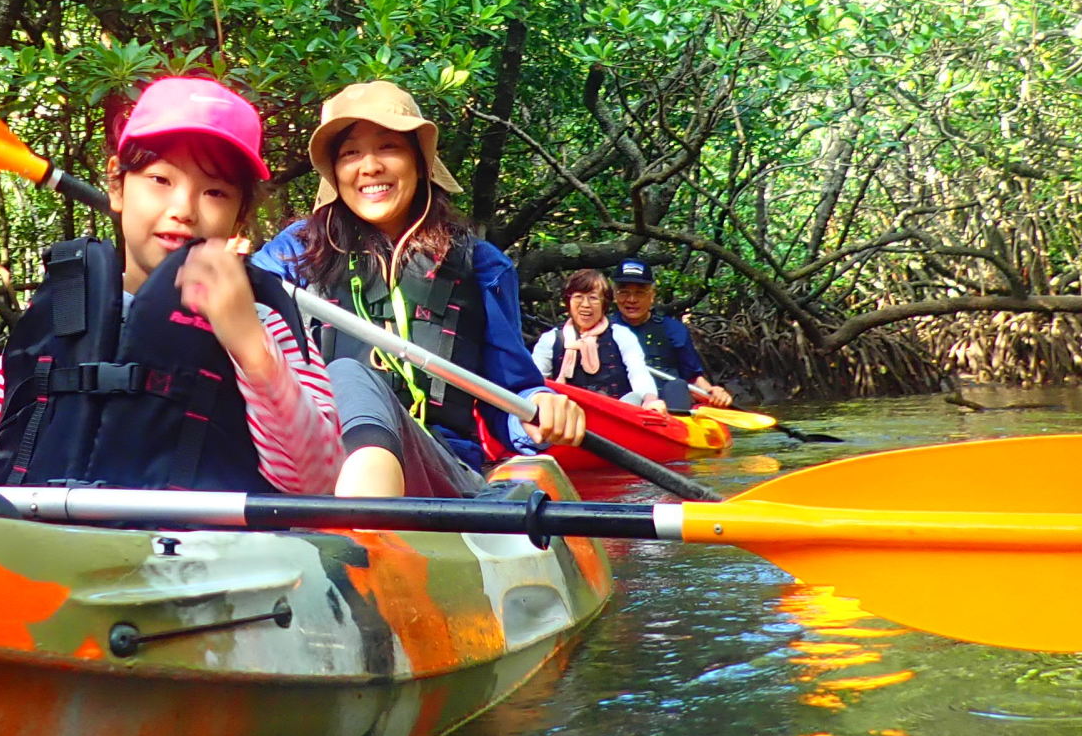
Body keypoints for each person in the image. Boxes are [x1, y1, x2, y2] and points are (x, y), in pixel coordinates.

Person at [0, 77, 341, 501]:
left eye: (215, 193)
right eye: (160, 180)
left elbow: (319, 481)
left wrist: (250, 345)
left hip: (194, 561)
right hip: (48, 538)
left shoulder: (264, 322)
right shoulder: (66, 305)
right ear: (117, 184)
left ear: (239, 216)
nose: (183, 210)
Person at [249, 82, 587, 499]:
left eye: (388, 147)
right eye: (350, 153)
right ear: (335, 173)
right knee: (347, 376)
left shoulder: (482, 265)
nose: (369, 166)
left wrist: (539, 409)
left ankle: (363, 538)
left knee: (350, 372)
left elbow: (511, 399)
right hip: (318, 463)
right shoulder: (292, 254)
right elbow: (241, 322)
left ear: (419, 161)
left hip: (440, 467)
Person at [533, 268, 667, 413]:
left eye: (593, 298)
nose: (585, 304)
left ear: (604, 304)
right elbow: (535, 380)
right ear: (568, 301)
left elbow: (638, 371)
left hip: (615, 416)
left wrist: (650, 399)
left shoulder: (621, 335)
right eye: (578, 296)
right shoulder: (551, 339)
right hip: (567, 417)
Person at [609, 258, 734, 409]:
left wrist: (710, 391)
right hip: (624, 406)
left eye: (640, 293)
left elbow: (692, 378)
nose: (631, 300)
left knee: (677, 386)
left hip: (669, 408)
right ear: (614, 295)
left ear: (652, 295)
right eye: (623, 292)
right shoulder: (605, 330)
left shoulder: (674, 330)